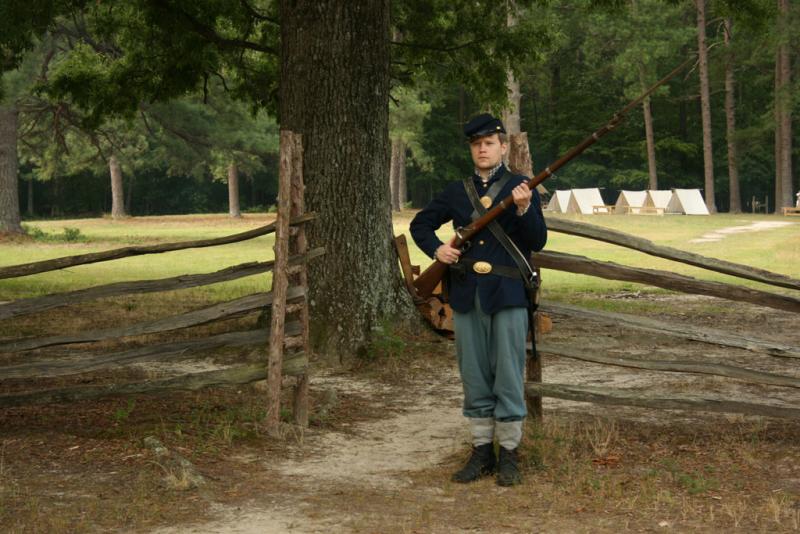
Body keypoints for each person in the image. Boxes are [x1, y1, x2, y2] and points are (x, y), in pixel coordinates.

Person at [410, 113, 547, 486]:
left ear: (503, 146)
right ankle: (482, 451)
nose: (482, 148)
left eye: (489, 142)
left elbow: (537, 241)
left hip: (508, 295)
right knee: (474, 376)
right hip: (468, 295)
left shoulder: (521, 185)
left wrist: (521, 208)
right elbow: (419, 224)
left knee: (507, 376)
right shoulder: (457, 192)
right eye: (476, 144)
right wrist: (438, 249)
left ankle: (510, 455)